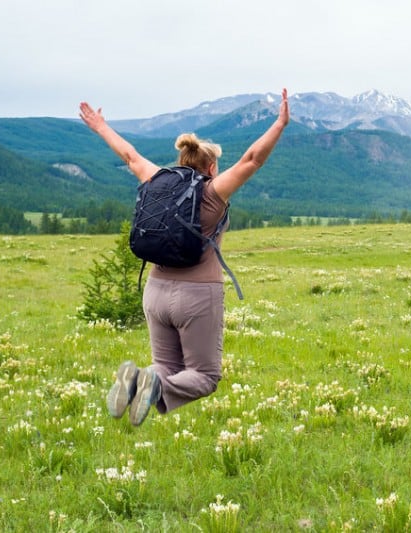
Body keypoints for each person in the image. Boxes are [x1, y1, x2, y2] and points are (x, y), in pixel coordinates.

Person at [79, 89, 290, 426]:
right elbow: (252, 160)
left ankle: (138, 379)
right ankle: (149, 384)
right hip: (196, 296)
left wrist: (101, 126)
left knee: (164, 366)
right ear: (210, 166)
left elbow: (130, 156)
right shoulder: (212, 191)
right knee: (204, 377)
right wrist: (279, 124)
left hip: (155, 292)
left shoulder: (156, 178)